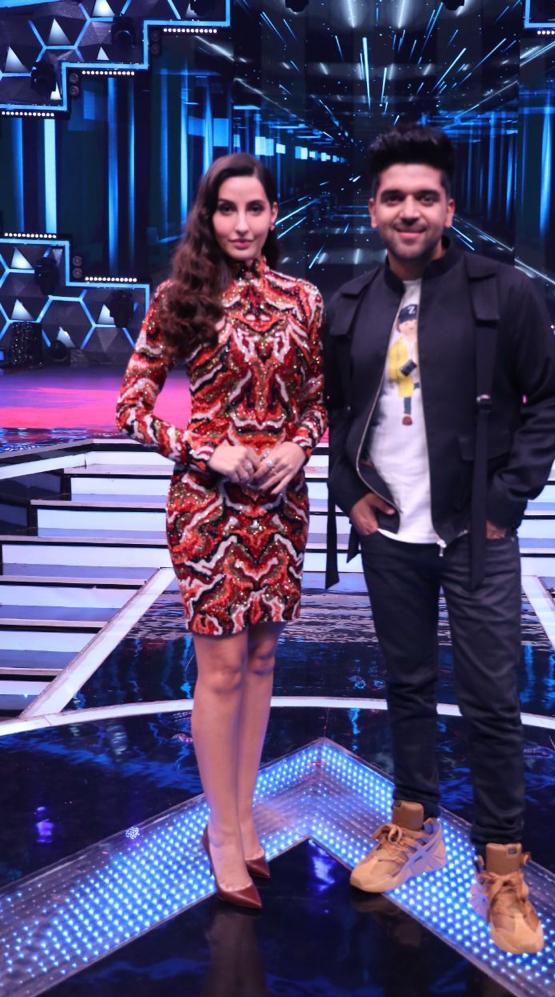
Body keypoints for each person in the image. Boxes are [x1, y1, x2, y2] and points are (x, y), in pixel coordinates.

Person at [323, 125, 555, 954]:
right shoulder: (350, 305)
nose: (410, 210)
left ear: (448, 209)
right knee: (408, 685)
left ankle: (501, 864)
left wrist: (507, 501)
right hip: (391, 531)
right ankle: (413, 822)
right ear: (373, 210)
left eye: (425, 197)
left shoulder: (503, 291)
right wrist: (351, 495)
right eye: (394, 197)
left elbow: (548, 399)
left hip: (475, 532)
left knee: (493, 700)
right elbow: (336, 413)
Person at [116, 154, 326, 909]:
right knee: (222, 670)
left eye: (255, 208)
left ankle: (238, 813)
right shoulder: (182, 298)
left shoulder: (303, 299)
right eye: (227, 209)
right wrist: (205, 450)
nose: (242, 224)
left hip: (281, 507)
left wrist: (300, 446)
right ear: (207, 217)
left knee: (263, 661)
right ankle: (225, 828)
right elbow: (131, 407)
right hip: (208, 508)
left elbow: (317, 400)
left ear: (273, 214)